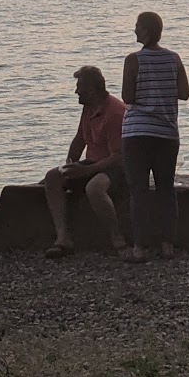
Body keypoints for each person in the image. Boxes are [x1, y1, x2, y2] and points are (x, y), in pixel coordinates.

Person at [120, 11, 189, 263]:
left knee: (138, 190)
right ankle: (167, 244)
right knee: (165, 188)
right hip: (167, 133)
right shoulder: (174, 58)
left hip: (137, 133)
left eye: (137, 27)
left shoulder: (133, 60)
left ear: (147, 31)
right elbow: (184, 93)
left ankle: (139, 247)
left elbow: (127, 97)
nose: (134, 31)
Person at [39, 65, 126, 256]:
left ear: (93, 91)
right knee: (53, 177)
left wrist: (87, 171)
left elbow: (118, 157)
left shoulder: (115, 113)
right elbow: (80, 139)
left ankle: (116, 237)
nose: (76, 91)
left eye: (80, 88)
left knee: (94, 188)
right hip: (93, 163)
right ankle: (63, 237)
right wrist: (69, 165)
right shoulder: (89, 107)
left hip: (116, 167)